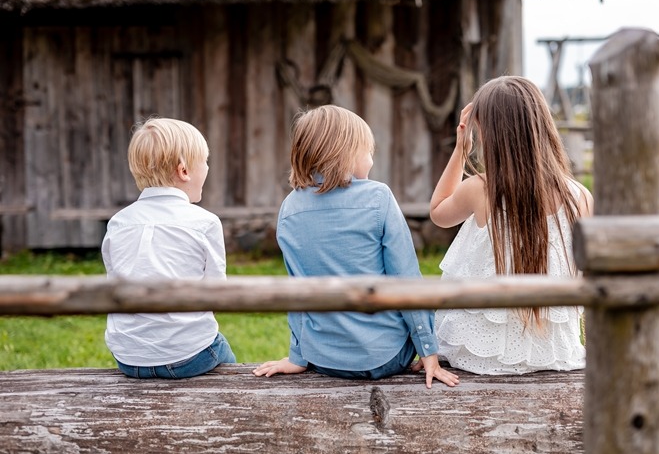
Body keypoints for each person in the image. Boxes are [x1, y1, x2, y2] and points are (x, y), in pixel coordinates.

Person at [252, 105, 459, 388]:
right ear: (345, 152)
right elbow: (406, 279)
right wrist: (428, 351)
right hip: (387, 357)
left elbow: (297, 291)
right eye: (368, 152)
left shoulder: (289, 209)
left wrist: (298, 357)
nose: (371, 161)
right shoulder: (378, 197)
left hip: (324, 359)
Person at [429, 76, 593, 375]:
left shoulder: (480, 189)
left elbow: (438, 212)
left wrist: (460, 149)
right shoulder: (579, 196)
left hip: (477, 356)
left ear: (486, 132)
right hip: (553, 356)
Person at [103, 117, 236, 379]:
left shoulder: (118, 223)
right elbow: (218, 295)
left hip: (129, 358)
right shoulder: (204, 222)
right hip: (189, 356)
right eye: (205, 162)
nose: (207, 168)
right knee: (227, 358)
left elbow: (114, 284)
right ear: (184, 171)